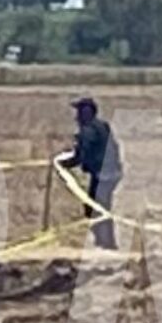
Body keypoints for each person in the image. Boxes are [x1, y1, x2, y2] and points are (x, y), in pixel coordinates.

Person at [57, 96, 121, 249]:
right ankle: (104, 241)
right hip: (111, 172)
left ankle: (107, 243)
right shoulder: (103, 126)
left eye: (79, 112)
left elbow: (81, 155)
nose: (76, 116)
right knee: (98, 206)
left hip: (102, 174)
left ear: (86, 113)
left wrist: (64, 164)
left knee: (96, 208)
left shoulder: (88, 131)